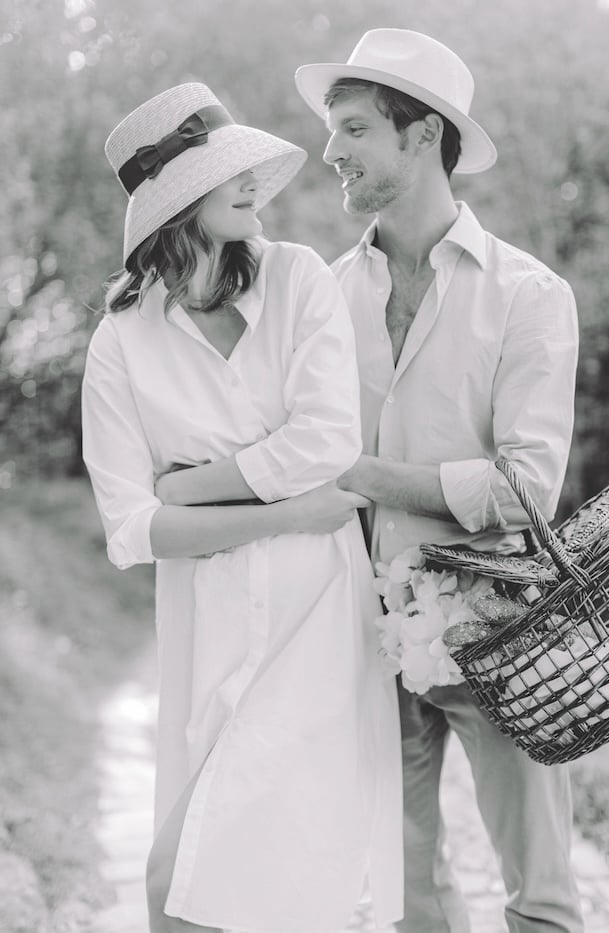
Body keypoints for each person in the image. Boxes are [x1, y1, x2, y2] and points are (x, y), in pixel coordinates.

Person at [82, 82, 403, 933]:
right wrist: (282, 511)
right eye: (227, 174)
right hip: (211, 627)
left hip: (316, 621)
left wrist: (191, 483)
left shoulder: (298, 279)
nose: (253, 183)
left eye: (247, 168)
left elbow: (328, 442)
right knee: (191, 885)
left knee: (245, 881)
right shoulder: (121, 343)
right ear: (174, 202)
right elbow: (132, 529)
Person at [295, 28, 583, 933]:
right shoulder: (325, 297)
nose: (331, 150)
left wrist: (363, 472)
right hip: (359, 633)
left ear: (424, 137)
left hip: (499, 631)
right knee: (404, 891)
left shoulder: (529, 296)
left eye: (354, 129)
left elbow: (528, 488)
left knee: (539, 897)